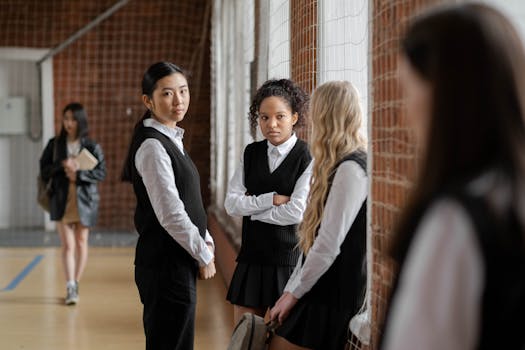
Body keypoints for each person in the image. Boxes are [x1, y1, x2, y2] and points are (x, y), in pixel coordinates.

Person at [380, 3, 525, 349]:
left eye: (408, 90)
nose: (405, 112)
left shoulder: (455, 223)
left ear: (444, 95)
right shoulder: (508, 197)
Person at [121, 61, 216, 350]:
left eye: (183, 91)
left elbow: (190, 200)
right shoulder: (152, 146)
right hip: (164, 267)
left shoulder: (172, 138)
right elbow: (171, 213)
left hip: (177, 262)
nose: (179, 101)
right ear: (148, 101)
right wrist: (203, 254)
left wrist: (207, 240)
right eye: (167, 93)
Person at [268, 81, 368, 350]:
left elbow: (328, 244)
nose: (310, 119)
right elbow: (311, 246)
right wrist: (289, 291)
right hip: (321, 284)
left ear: (327, 115)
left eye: (316, 111)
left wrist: (293, 296)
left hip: (335, 292)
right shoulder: (334, 164)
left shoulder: (352, 168)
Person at [224, 79, 313, 325]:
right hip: (251, 258)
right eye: (264, 117)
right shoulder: (250, 153)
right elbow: (231, 204)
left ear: (294, 118)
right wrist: (271, 200)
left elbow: (296, 212)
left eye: (280, 117)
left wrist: (252, 211)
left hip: (288, 264)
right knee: (244, 340)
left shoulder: (306, 156)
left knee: (276, 341)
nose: (271, 124)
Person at [39, 102, 106, 305]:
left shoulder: (91, 146)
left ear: (80, 121)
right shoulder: (55, 144)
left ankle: (75, 281)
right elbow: (44, 171)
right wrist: (63, 165)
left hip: (85, 200)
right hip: (61, 198)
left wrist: (80, 174)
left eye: (72, 119)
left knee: (80, 242)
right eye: (65, 118)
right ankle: (70, 285)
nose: (68, 123)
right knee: (67, 244)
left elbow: (101, 172)